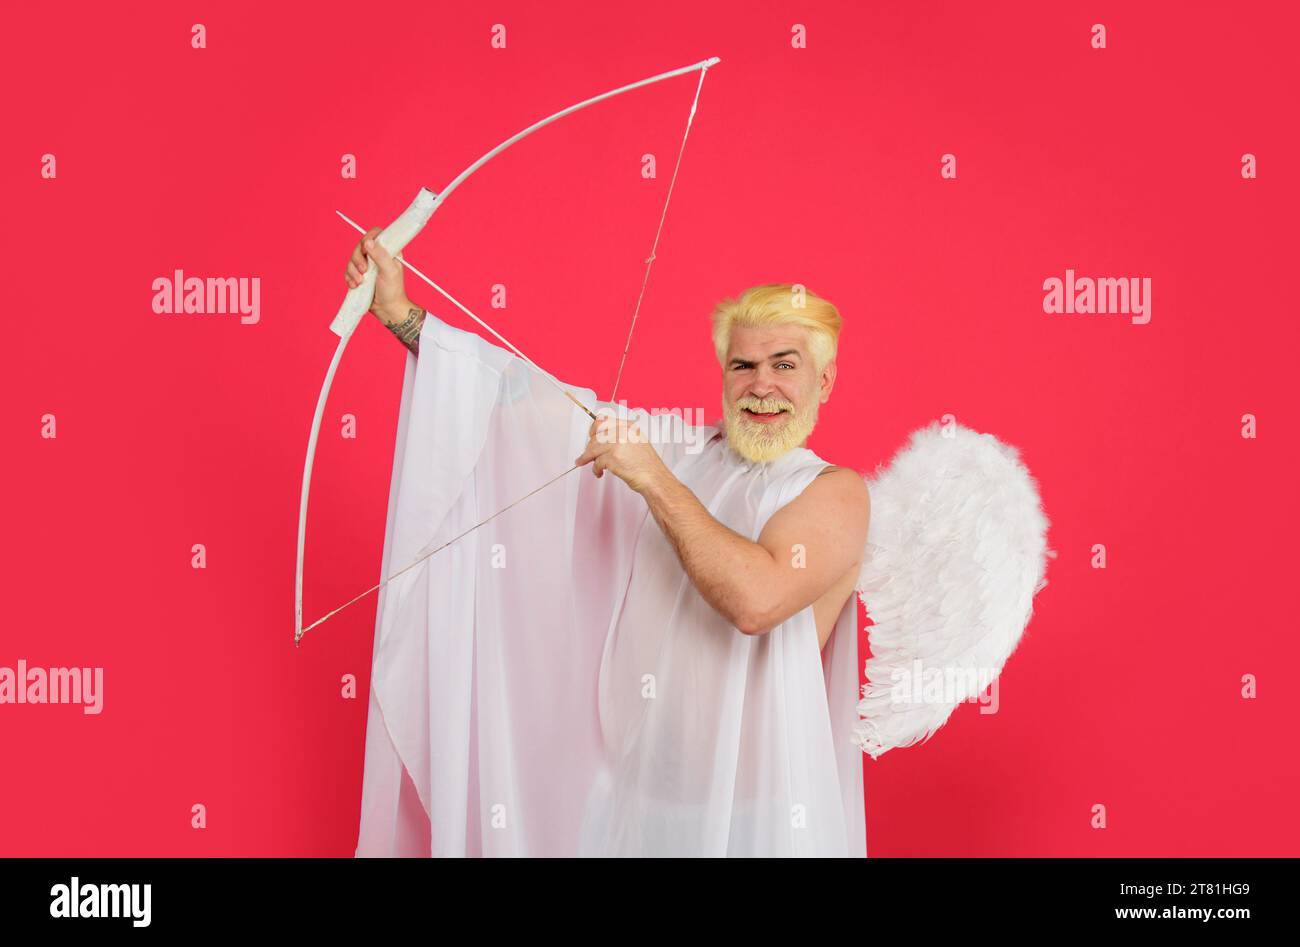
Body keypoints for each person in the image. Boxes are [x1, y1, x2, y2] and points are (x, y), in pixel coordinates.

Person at [344, 228, 871, 856]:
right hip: (635, 803)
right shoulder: (688, 449)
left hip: (754, 819)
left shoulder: (833, 493)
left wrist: (650, 476)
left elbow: (755, 600)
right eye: (743, 365)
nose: (762, 385)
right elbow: (538, 407)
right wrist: (405, 318)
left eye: (786, 365)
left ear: (826, 380)